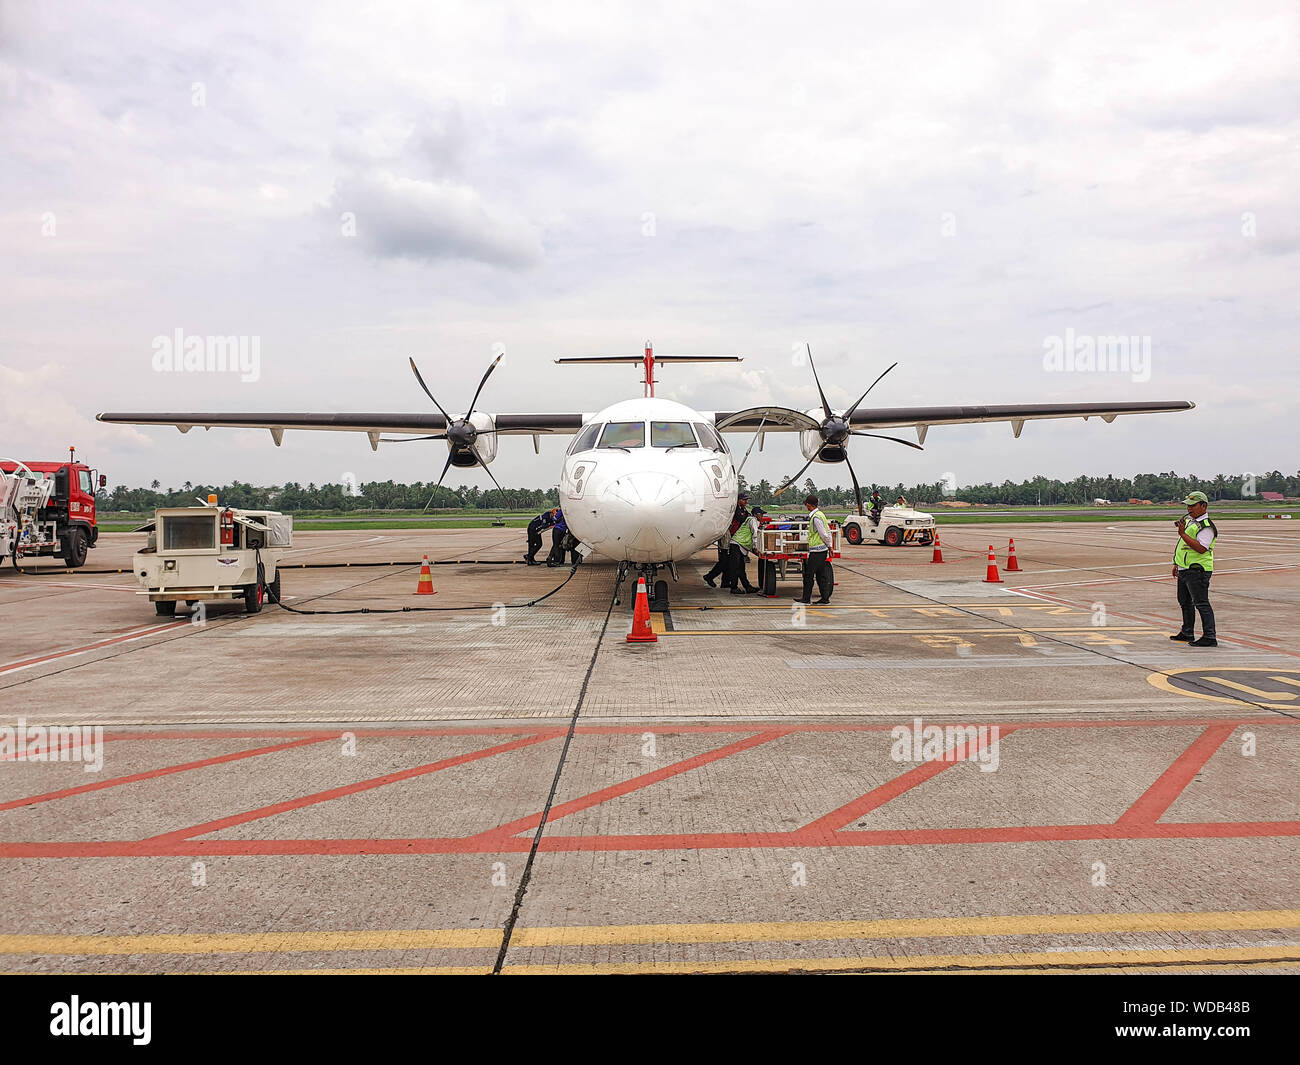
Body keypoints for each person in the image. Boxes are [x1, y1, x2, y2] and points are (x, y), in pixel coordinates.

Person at [1170, 490, 1218, 647]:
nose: (1189, 509)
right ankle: (1187, 631)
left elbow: (1201, 548)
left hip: (1197, 569)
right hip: (1185, 568)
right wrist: (1177, 563)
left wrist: (1183, 534)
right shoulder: (1192, 522)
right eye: (1188, 506)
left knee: (1201, 603)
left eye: (1193, 505)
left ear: (1203, 506)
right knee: (1184, 601)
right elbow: (1183, 547)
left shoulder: (1206, 526)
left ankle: (1210, 636)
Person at [794, 494, 833, 605]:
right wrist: (829, 546)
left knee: (809, 575)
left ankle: (806, 599)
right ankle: (825, 598)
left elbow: (823, 533)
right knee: (821, 575)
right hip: (822, 549)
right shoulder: (821, 514)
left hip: (817, 550)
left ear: (808, 504)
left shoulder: (815, 517)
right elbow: (828, 531)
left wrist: (829, 546)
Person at [705, 492, 749, 588]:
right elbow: (741, 518)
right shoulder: (735, 509)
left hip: (732, 536)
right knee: (725, 560)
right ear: (738, 500)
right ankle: (709, 576)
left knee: (729, 561)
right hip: (727, 536)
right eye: (744, 500)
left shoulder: (742, 509)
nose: (746, 502)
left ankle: (725, 582)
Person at [727, 504, 763, 594]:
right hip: (737, 544)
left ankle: (747, 587)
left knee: (740, 568)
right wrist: (756, 547)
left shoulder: (749, 519)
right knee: (736, 568)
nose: (762, 516)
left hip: (738, 544)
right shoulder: (753, 520)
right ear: (756, 514)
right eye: (761, 514)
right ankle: (734, 588)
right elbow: (755, 534)